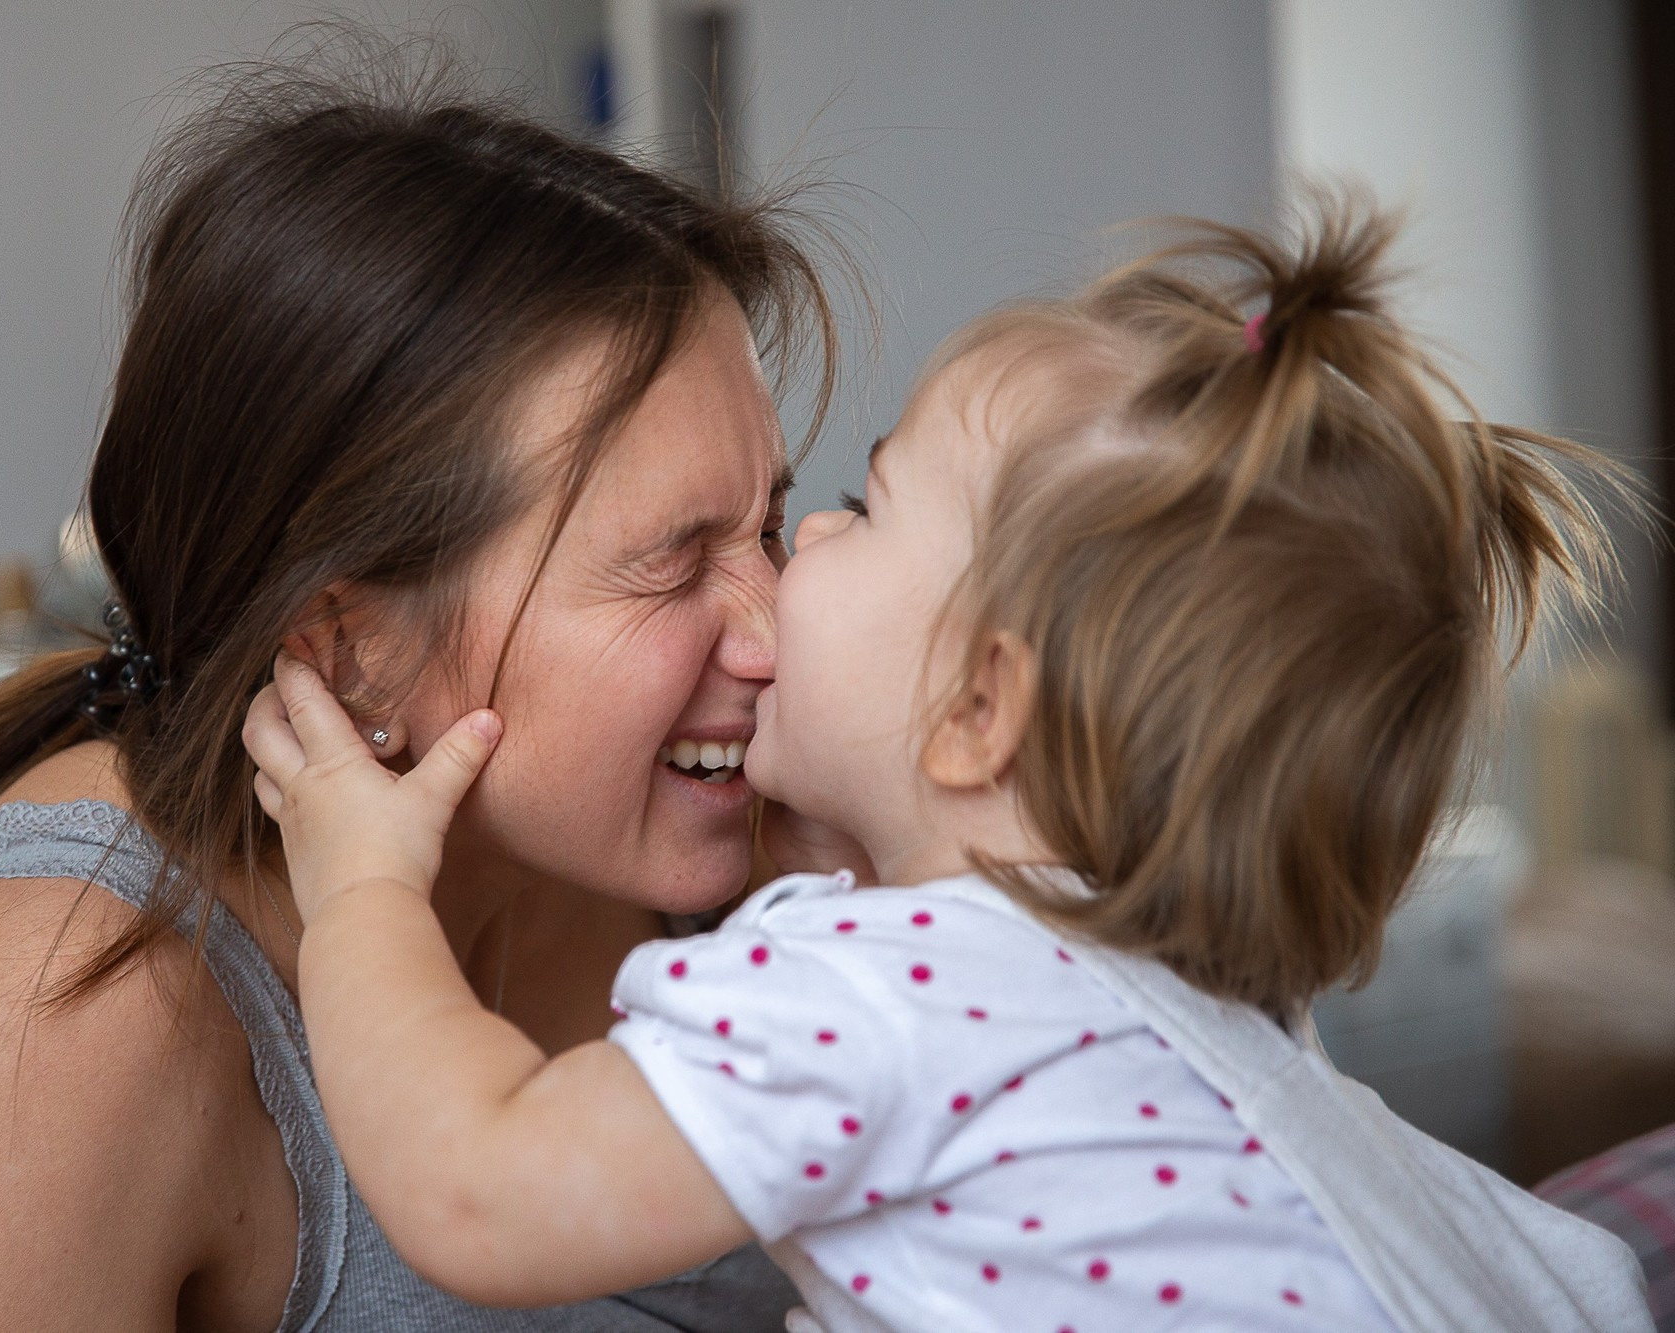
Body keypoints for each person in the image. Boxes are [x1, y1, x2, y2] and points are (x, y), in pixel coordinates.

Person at [243, 196, 1655, 1332]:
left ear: (981, 709)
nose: (798, 563)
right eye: (686, 553)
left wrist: (364, 883)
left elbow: (483, 1187)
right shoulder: (1201, 1010)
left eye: (860, 502)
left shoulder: (871, 996)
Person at [0, 33, 839, 1332]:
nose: (774, 629)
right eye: (672, 560)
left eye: (767, 525)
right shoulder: (82, 988)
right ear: (343, 647)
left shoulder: (774, 852)